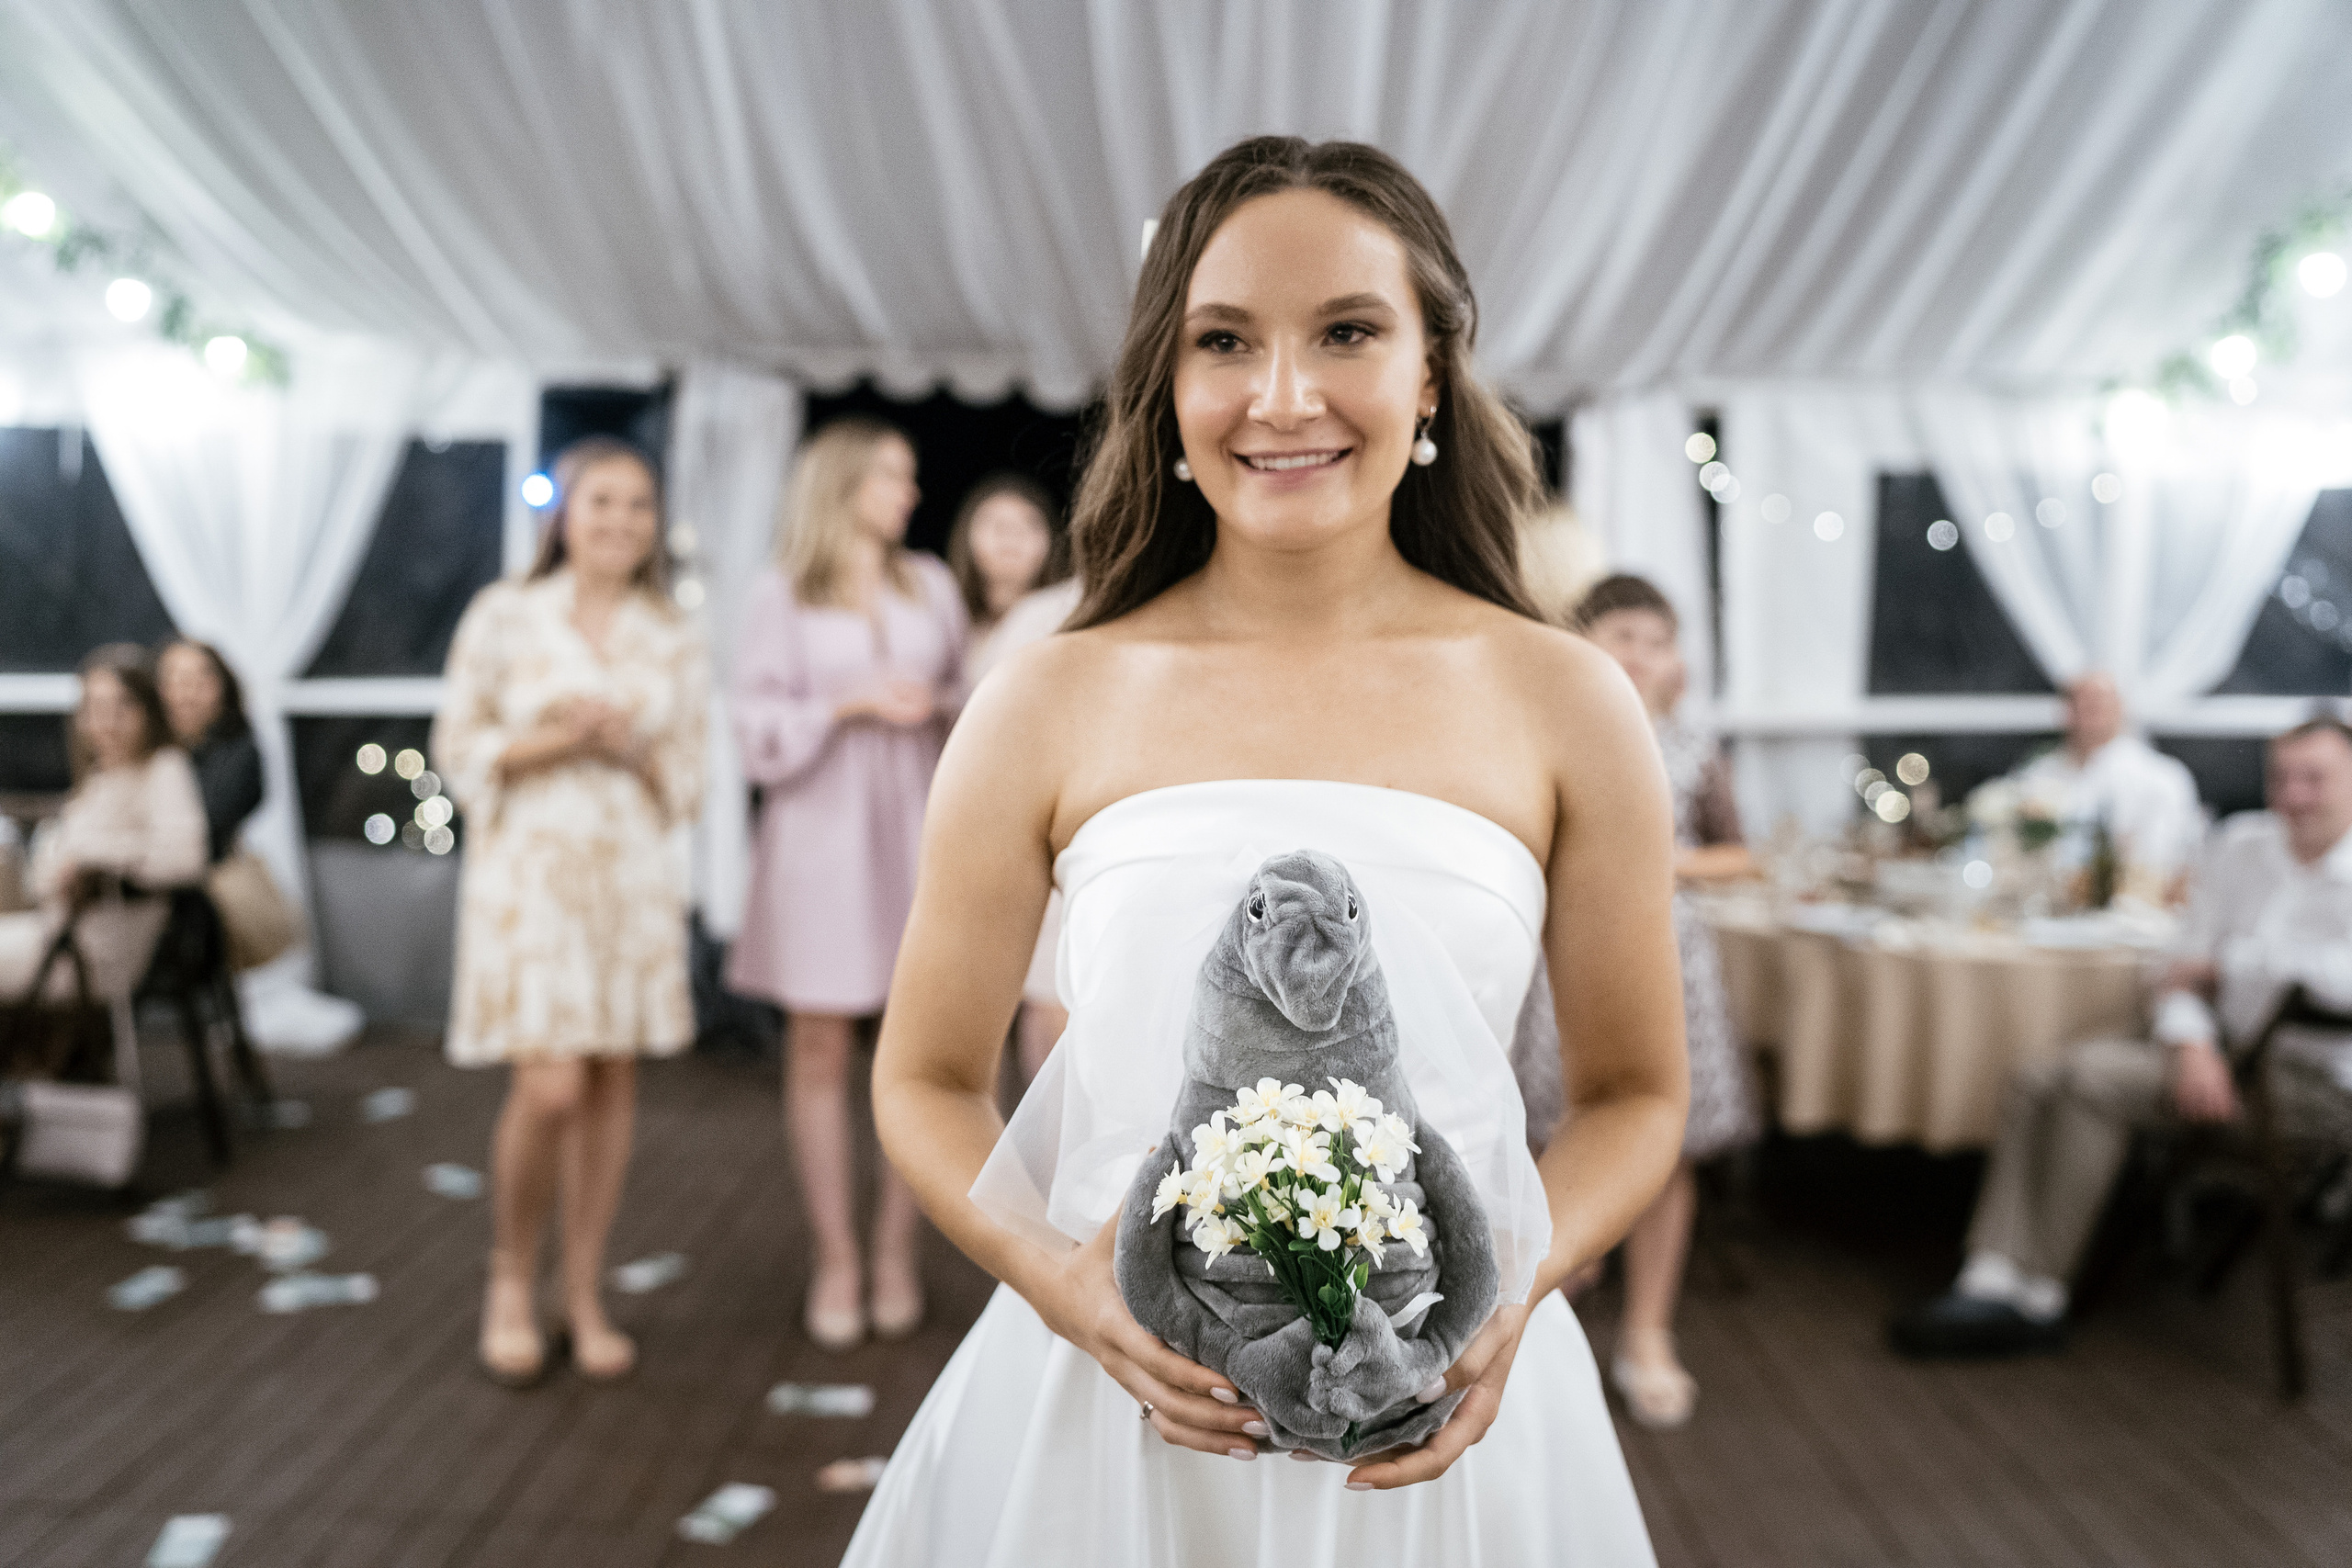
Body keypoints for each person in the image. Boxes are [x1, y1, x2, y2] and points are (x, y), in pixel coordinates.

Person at [844, 136, 1682, 1566]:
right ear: (1167, 386)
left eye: (1347, 331)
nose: (1284, 395)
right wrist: (1061, 1283)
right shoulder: (1047, 696)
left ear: (1432, 372)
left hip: (1446, 1428)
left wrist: (1509, 1289)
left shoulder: (1568, 701)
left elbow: (1634, 1092)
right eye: (1224, 340)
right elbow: (923, 1075)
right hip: (1106, 1420)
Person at [1894, 716, 2352, 1358]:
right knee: (2035, 1074)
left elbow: (2336, 981)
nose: (2293, 794)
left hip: (2312, 1088)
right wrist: (2194, 1046)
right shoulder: (2242, 843)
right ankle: (1992, 1274)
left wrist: (2228, 965)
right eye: (2281, 776)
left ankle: (2040, 1296)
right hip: (2220, 1051)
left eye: (2314, 779)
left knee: (2090, 1081)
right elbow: (2174, 965)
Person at [433, 436, 708, 1386]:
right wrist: (556, 738)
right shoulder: (505, 614)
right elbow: (457, 747)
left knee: (609, 1085)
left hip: (629, 878)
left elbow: (691, 778)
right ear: (565, 515)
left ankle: (582, 1289)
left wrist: (629, 743)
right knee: (550, 1087)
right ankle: (511, 1275)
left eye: (639, 505)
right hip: (531, 877)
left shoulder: (671, 630)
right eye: (603, 501)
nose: (621, 521)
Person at [728, 418, 967, 1351]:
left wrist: (931, 703)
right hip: (819, 836)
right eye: (892, 476)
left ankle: (896, 1250)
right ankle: (835, 1255)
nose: (910, 492)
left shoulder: (932, 583)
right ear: (842, 486)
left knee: (915, 1049)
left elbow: (974, 697)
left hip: (917, 829)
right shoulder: (781, 590)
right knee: (820, 1048)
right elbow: (753, 723)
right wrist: (846, 702)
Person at [1566, 573, 1760, 1427]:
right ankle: (1551, 1309)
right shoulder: (1558, 732)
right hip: (1562, 961)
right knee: (1551, 1133)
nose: (1639, 654)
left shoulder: (1691, 747)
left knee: (1663, 1144)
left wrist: (1664, 860)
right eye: (1622, 635)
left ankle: (1648, 1329)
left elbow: (1738, 853)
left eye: (1656, 639)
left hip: (1668, 959)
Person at [950, 474, 1082, 1084]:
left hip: (1032, 828)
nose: (1011, 540)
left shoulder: (1063, 613)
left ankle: (1037, 1138)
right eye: (995, 525)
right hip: (963, 830)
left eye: (1027, 526)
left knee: (1043, 997)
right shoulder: (944, 616)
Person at [0, 645, 207, 1010]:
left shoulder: (163, 768)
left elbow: (186, 858)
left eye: (123, 706)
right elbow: (45, 877)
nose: (107, 721)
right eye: (94, 708)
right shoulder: (99, 778)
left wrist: (90, 858)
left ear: (149, 711)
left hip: (92, 952)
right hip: (56, 933)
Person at [2004, 672, 2204, 899]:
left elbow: (2168, 859)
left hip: (2130, 905)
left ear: (2120, 708)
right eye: (2080, 703)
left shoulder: (2161, 777)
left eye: (2099, 703)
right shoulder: (2039, 773)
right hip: (2045, 900)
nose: (2089, 712)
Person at [156, 640, 262, 863]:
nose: (188, 694)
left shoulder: (238, 749)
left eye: (201, 681)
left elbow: (207, 825)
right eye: (177, 681)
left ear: (223, 688)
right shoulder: (148, 750)